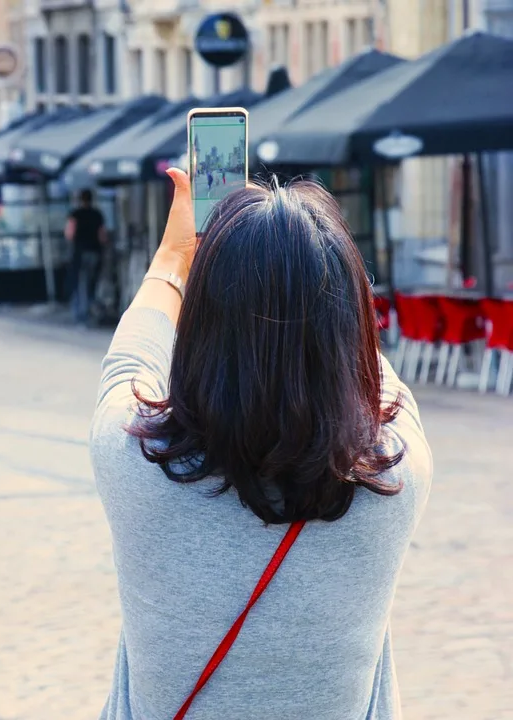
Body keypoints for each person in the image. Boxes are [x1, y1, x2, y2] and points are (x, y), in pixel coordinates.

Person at [90, 169, 432, 720]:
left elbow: (131, 358)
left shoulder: (132, 461)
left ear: (202, 327)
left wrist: (178, 253)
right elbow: (369, 371)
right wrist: (314, 257)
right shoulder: (397, 476)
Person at [64, 188, 106, 324]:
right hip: (94, 252)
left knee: (80, 282)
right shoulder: (97, 214)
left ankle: (81, 314)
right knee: (91, 283)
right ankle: (90, 311)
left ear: (80, 199)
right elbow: (102, 236)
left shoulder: (75, 214)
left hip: (79, 253)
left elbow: (69, 234)